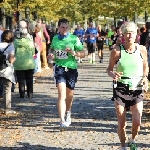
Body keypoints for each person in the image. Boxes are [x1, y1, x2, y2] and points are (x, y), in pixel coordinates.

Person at [106, 22, 148, 150]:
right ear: (123, 35)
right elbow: (108, 69)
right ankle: (123, 146)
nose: (130, 35)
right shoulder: (116, 51)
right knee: (122, 123)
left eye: (132, 33)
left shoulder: (142, 49)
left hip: (137, 89)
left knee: (137, 121)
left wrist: (145, 78)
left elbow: (145, 66)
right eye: (127, 33)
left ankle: (133, 139)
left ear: (137, 34)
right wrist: (113, 74)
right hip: (121, 89)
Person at [47, 18, 85, 128]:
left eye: (66, 27)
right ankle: (62, 120)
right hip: (59, 68)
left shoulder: (74, 38)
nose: (64, 29)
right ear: (58, 28)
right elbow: (52, 50)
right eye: (62, 27)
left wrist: (74, 52)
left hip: (71, 69)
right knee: (61, 94)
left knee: (69, 95)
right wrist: (51, 55)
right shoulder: (55, 39)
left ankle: (68, 112)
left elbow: (83, 53)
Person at [13, 27, 36, 100]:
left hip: (19, 63)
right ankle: (30, 94)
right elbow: (33, 52)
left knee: (21, 79)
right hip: (29, 63)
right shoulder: (30, 41)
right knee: (29, 79)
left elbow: (14, 52)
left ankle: (22, 94)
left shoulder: (15, 42)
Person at [0, 30, 16, 114]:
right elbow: (10, 60)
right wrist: (14, 59)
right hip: (6, 71)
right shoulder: (10, 47)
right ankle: (7, 109)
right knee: (7, 89)